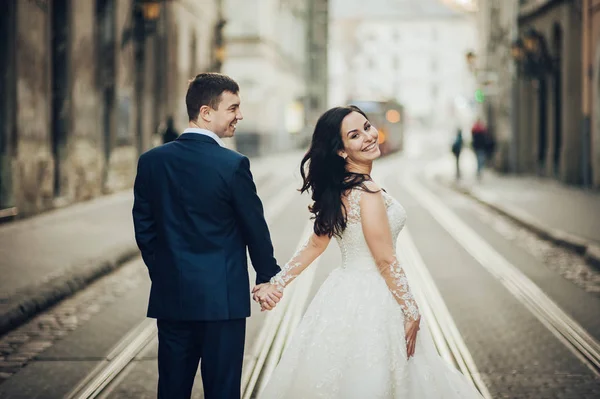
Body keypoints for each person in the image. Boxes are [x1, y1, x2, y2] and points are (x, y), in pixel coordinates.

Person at [253, 106, 485, 398]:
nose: (369, 136)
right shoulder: (367, 192)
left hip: (341, 295)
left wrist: (276, 283)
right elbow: (385, 259)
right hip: (377, 298)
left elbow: (315, 245)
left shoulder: (339, 189)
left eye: (366, 127)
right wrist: (411, 310)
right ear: (340, 151)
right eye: (355, 135)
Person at [132, 73, 283, 399]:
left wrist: (165, 272)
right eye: (233, 108)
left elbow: (144, 229)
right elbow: (253, 227)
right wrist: (267, 275)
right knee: (222, 391)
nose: (239, 116)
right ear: (206, 112)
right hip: (222, 302)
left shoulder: (151, 162)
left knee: (172, 389)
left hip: (172, 298)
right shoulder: (232, 165)